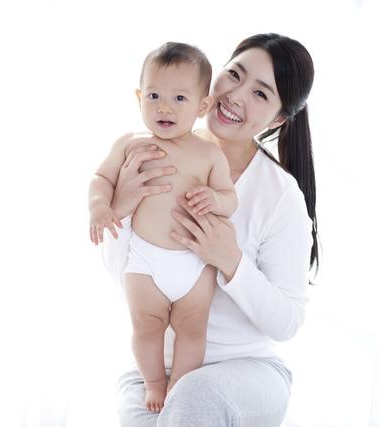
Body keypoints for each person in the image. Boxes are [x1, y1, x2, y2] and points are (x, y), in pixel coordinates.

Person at [102, 33, 318, 427]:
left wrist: (230, 261)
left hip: (246, 369)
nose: (236, 95)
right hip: (157, 370)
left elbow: (287, 322)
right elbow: (124, 272)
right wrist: (121, 208)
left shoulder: (279, 195)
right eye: (234, 75)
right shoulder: (151, 149)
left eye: (260, 93)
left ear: (277, 120)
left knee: (193, 397)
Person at [88, 42, 238, 412]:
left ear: (202, 106)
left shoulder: (209, 154)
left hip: (193, 263)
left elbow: (229, 198)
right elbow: (101, 178)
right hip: (145, 260)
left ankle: (179, 385)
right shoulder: (130, 144)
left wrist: (215, 200)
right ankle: (154, 383)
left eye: (179, 98)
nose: (164, 107)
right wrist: (99, 206)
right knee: (145, 326)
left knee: (193, 329)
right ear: (139, 97)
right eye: (154, 95)